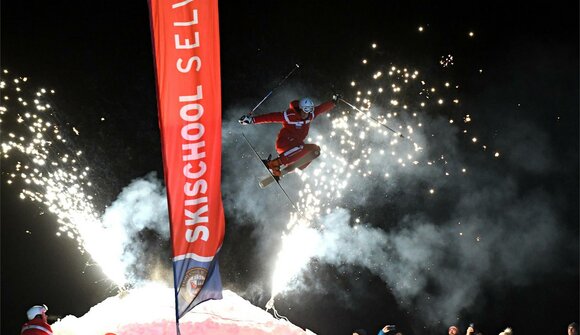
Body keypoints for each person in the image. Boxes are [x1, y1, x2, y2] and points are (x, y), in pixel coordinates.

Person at [239, 94, 340, 177]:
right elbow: (270, 117)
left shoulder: (310, 115)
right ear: (300, 109)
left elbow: (321, 108)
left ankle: (291, 168)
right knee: (300, 147)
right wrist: (252, 120)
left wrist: (333, 102)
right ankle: (274, 163)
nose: (305, 115)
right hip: (284, 143)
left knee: (315, 150)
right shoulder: (289, 116)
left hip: (295, 146)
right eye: (304, 111)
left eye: (308, 112)